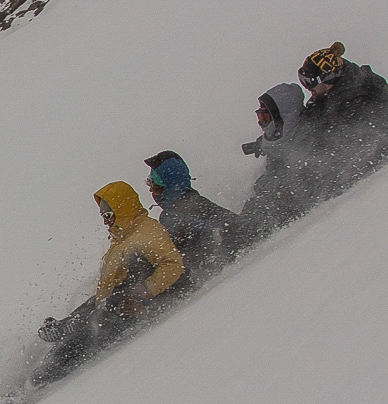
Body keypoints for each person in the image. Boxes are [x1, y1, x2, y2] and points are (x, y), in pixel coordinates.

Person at [31, 181, 186, 386]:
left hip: (129, 307)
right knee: (87, 313)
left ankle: (33, 384)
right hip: (113, 299)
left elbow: (173, 264)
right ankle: (63, 327)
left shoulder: (148, 231)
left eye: (108, 215)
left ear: (122, 210)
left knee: (85, 334)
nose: (105, 221)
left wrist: (147, 290)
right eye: (103, 215)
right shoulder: (122, 236)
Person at [293, 42, 388, 203]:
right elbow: (314, 122)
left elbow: (341, 145)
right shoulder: (333, 91)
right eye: (303, 80)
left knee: (297, 187)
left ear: (328, 77)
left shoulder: (360, 96)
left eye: (310, 82)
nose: (307, 88)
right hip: (348, 166)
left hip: (378, 169)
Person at [142, 150, 246, 283]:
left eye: (154, 186)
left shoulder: (172, 215)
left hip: (214, 278)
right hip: (228, 265)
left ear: (168, 186)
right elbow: (234, 224)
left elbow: (171, 261)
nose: (151, 191)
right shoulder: (197, 202)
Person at [238, 82, 309, 235]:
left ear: (283, 116)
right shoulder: (279, 137)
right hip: (274, 194)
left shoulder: (306, 138)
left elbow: (305, 176)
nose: (261, 123)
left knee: (267, 204)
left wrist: (279, 190)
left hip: (298, 202)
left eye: (265, 117)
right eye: (259, 116)